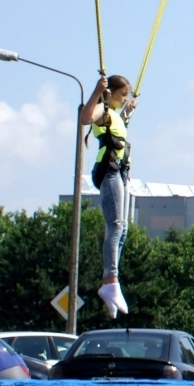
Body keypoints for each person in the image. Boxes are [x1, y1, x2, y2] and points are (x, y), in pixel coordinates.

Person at [78, 73, 136, 318]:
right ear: (110, 93)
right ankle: (110, 281)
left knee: (122, 230)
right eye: (123, 95)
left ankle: (111, 283)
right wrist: (95, 91)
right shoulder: (101, 109)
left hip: (119, 173)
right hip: (108, 171)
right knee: (115, 226)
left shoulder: (114, 115)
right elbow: (83, 118)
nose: (125, 99)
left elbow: (116, 123)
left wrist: (127, 113)